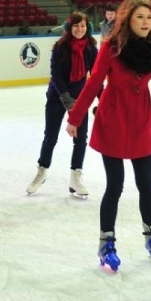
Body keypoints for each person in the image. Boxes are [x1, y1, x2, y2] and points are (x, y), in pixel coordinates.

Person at [64, 0, 151, 272]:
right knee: (115, 185)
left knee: (146, 184)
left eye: (150, 17)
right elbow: (93, 85)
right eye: (140, 17)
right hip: (113, 120)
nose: (145, 22)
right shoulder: (112, 47)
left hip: (140, 121)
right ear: (128, 19)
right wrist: (75, 118)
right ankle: (106, 243)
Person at [26, 11, 99, 197]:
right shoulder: (60, 48)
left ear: (87, 28)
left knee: (81, 139)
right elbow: (56, 77)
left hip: (81, 97)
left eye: (83, 26)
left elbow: (96, 76)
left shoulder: (91, 48)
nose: (79, 29)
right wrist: (67, 100)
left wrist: (102, 97)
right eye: (76, 26)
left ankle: (75, 177)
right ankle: (41, 172)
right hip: (57, 97)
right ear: (69, 28)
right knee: (50, 137)